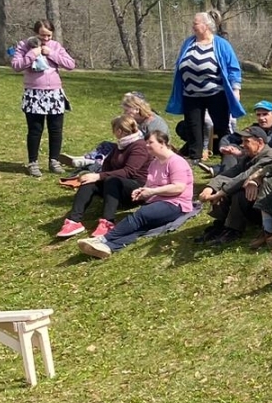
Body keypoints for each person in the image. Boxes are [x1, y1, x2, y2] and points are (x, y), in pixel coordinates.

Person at [78, 130, 196, 258]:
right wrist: (142, 190)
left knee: (141, 215)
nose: (147, 145)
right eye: (146, 143)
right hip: (157, 201)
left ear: (162, 143)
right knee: (141, 227)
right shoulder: (154, 163)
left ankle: (103, 239)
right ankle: (108, 247)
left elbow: (178, 187)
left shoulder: (176, 161)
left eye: (150, 142)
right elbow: (150, 185)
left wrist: (153, 191)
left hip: (176, 203)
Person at [55, 115, 153, 239]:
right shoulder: (121, 144)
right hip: (113, 184)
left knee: (110, 180)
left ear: (119, 131)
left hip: (135, 189)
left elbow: (129, 172)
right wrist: (95, 177)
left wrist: (100, 176)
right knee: (88, 181)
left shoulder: (139, 146)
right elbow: (107, 164)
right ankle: (74, 221)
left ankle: (108, 222)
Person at [166, 11, 245, 160]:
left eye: (195, 23)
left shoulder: (221, 44)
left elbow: (233, 68)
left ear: (206, 25)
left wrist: (236, 89)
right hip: (191, 94)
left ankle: (227, 156)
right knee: (193, 127)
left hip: (216, 94)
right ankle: (195, 157)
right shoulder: (188, 42)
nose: (192, 26)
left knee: (221, 126)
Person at [197, 126, 272, 245]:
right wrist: (210, 188)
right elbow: (231, 173)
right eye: (242, 141)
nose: (242, 145)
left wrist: (222, 191)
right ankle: (222, 224)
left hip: (271, 208)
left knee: (238, 193)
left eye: (246, 141)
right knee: (225, 189)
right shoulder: (250, 156)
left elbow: (246, 175)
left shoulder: (271, 156)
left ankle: (233, 230)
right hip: (256, 202)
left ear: (260, 142)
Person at [11, 19, 75, 177]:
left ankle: (54, 160)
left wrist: (50, 53)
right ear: (35, 33)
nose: (46, 39)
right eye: (42, 35)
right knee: (35, 130)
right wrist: (32, 54)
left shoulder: (55, 46)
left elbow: (70, 64)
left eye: (49, 35)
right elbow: (16, 66)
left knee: (56, 130)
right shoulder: (24, 45)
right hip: (34, 93)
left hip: (54, 93)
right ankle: (33, 163)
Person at [64, 93, 168, 171]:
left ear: (137, 109)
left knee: (117, 154)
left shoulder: (154, 123)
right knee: (107, 145)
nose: (124, 113)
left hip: (148, 154)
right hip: (134, 148)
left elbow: (158, 146)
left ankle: (93, 162)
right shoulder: (136, 121)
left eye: (127, 111)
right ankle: (85, 158)